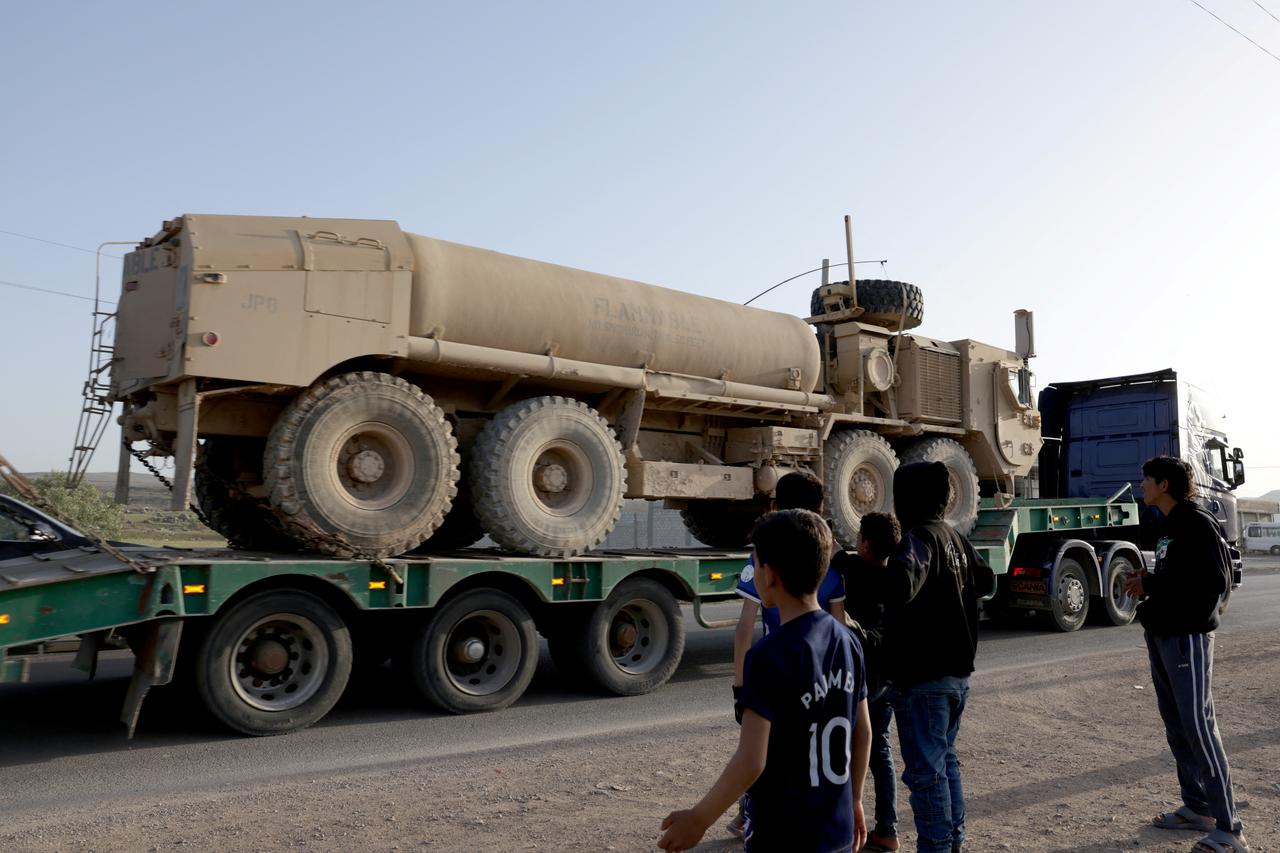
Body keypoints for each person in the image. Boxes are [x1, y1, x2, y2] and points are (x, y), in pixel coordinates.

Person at [659, 509, 872, 853]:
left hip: (786, 836)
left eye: (755, 562)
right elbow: (863, 731)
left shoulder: (768, 656)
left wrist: (699, 818)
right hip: (837, 831)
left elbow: (751, 760)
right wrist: (856, 799)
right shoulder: (848, 641)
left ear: (769, 574)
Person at [1122, 456, 1249, 853]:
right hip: (1161, 633)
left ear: (1163, 484)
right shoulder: (1170, 523)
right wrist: (1149, 581)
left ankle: (1230, 830)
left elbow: (1217, 581)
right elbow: (1178, 575)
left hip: (1186, 638)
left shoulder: (1197, 522)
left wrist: (1161, 589)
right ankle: (1198, 809)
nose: (1141, 484)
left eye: (1145, 479)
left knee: (1199, 727)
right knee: (1177, 726)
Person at [879, 462, 993, 853]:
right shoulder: (957, 538)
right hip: (957, 675)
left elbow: (900, 586)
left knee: (926, 774)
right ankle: (952, 840)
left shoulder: (917, 539)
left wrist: (875, 571)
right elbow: (986, 579)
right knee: (945, 763)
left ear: (905, 499)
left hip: (922, 678)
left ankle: (937, 846)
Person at [728, 470, 846, 838]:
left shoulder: (764, 554)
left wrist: (739, 684)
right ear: (821, 507)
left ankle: (749, 817)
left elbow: (745, 626)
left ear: (776, 505)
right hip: (823, 671)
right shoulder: (832, 555)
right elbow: (840, 621)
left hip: (776, 671)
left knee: (763, 752)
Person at [834, 511, 902, 853]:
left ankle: (846, 827)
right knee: (881, 750)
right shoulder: (895, 575)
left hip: (859, 679)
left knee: (846, 751)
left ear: (863, 544)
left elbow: (830, 552)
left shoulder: (853, 569)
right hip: (887, 676)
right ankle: (887, 830)